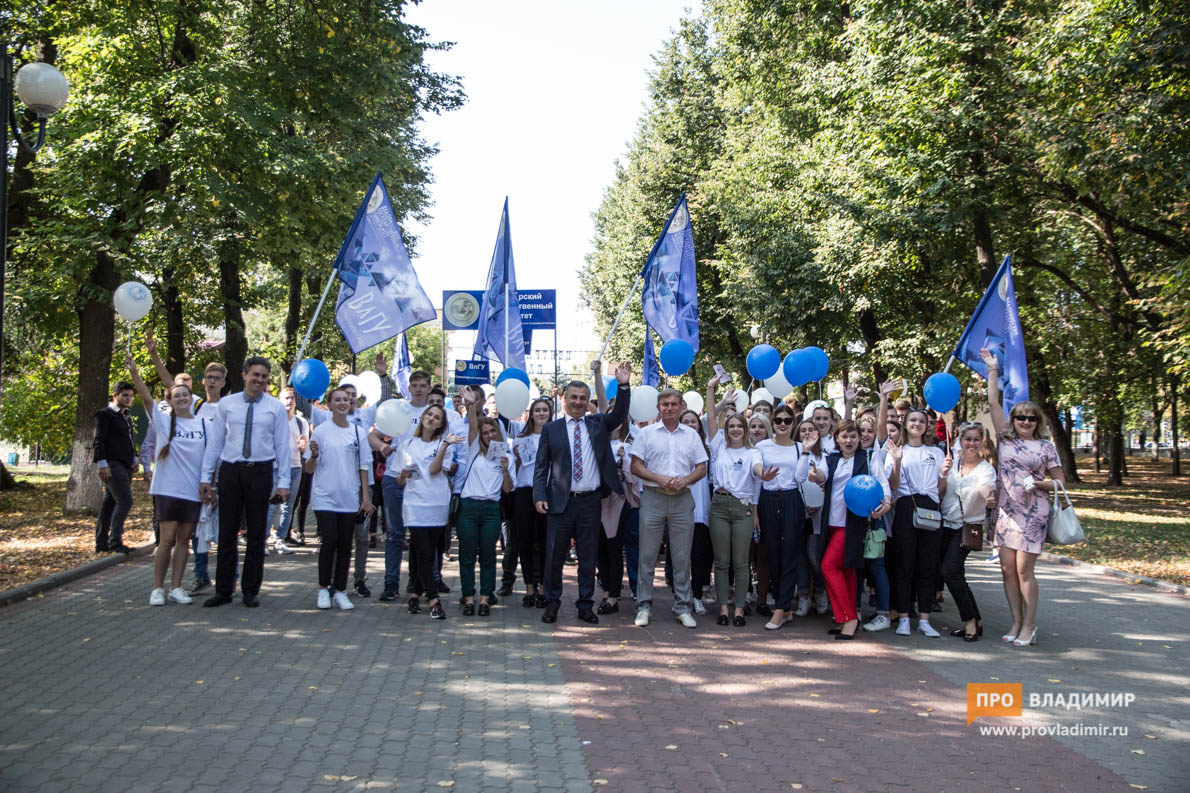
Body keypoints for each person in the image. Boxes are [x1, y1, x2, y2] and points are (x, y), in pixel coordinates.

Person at [533, 362, 633, 625]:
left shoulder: (598, 423)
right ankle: (552, 602)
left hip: (590, 501)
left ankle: (585, 604)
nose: (578, 402)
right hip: (560, 502)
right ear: (564, 399)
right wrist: (539, 495)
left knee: (588, 557)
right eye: (574, 397)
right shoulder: (551, 429)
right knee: (555, 556)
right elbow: (541, 466)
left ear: (589, 401)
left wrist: (623, 385)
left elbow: (620, 414)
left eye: (583, 398)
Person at [981, 348, 1064, 648]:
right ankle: (1016, 621)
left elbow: (1060, 482)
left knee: (1023, 570)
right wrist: (992, 369)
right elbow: (992, 402)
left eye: (1030, 418)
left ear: (1036, 421)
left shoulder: (1045, 447)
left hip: (1033, 513)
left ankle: (1030, 625)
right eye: (1020, 418)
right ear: (1013, 420)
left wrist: (1039, 484)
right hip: (1005, 513)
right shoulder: (1005, 440)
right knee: (1006, 570)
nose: (1025, 422)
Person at [200, 357, 291, 608]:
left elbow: (283, 446)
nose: (259, 380)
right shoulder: (227, 404)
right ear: (244, 375)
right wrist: (206, 477)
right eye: (255, 375)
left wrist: (283, 483)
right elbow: (215, 443)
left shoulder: (275, 408)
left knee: (256, 533)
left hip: (260, 471)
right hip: (231, 470)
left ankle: (251, 590)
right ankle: (224, 590)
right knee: (227, 532)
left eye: (264, 376)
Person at [127, 357, 206, 605]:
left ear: (191, 398)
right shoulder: (163, 421)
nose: (182, 398)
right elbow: (145, 395)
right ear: (170, 401)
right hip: (168, 489)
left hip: (193, 490)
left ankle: (176, 587)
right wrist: (135, 372)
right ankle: (157, 588)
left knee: (184, 540)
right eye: (176, 396)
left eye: (185, 395)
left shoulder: (204, 423)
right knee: (167, 539)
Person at [629, 388, 709, 628]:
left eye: (674, 404)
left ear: (681, 406)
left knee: (682, 555)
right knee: (647, 554)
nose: (670, 408)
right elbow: (635, 466)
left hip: (682, 497)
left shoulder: (692, 435)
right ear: (658, 407)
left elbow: (702, 467)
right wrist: (659, 478)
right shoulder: (646, 434)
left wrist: (685, 480)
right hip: (654, 496)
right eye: (665, 404)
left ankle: (683, 606)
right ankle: (643, 606)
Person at [819, 420, 892, 639]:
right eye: (844, 436)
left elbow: (883, 484)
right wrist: (815, 476)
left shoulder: (869, 457)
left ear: (859, 439)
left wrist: (886, 503)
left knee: (828, 567)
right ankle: (846, 618)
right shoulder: (830, 459)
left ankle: (849, 618)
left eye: (853, 436)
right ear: (837, 438)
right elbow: (821, 476)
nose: (849, 441)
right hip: (830, 522)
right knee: (847, 571)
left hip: (853, 524)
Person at [705, 400, 775, 628]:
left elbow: (757, 469)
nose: (735, 429)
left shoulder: (753, 452)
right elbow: (712, 417)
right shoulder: (718, 447)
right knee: (722, 562)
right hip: (719, 506)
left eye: (739, 426)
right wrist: (711, 391)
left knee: (742, 563)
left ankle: (740, 610)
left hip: (742, 507)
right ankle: (724, 608)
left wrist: (763, 474)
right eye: (731, 425)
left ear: (745, 430)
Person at [304, 387, 374, 610]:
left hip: (349, 497)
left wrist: (365, 498)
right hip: (325, 496)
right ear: (330, 404)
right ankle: (324, 588)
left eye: (346, 399)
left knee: (346, 545)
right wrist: (314, 455)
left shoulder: (358, 432)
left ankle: (341, 590)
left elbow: (364, 466)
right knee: (330, 541)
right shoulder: (321, 431)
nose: (343, 403)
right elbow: (308, 468)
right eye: (338, 400)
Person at [371, 369, 432, 601]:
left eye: (422, 385)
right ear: (409, 388)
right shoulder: (399, 409)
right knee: (396, 535)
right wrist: (382, 447)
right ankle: (390, 583)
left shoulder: (434, 413)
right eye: (414, 385)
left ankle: (423, 583)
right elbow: (373, 436)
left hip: (421, 482)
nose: (418, 389)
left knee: (422, 535)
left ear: (428, 388)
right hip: (394, 479)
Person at [887, 407, 948, 636]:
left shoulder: (936, 452)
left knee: (928, 565)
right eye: (912, 420)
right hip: (905, 508)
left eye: (921, 421)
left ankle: (924, 619)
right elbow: (893, 486)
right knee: (904, 564)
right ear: (905, 423)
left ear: (927, 425)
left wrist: (944, 475)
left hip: (931, 509)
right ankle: (903, 616)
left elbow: (940, 490)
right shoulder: (896, 450)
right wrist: (896, 462)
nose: (917, 424)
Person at [397, 404, 462, 619]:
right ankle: (433, 599)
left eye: (437, 417)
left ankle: (415, 593)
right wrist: (403, 475)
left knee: (426, 552)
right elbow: (398, 479)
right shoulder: (407, 443)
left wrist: (443, 445)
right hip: (415, 506)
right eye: (429, 414)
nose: (432, 419)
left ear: (441, 424)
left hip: (437, 504)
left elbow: (434, 470)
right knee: (424, 552)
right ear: (423, 417)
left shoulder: (445, 444)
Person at [456, 397, 515, 617]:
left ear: (498, 433)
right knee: (467, 555)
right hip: (468, 507)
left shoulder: (505, 455)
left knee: (488, 556)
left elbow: (508, 489)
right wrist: (472, 405)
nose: (489, 436)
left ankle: (484, 598)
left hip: (491, 509)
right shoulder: (474, 450)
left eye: (492, 432)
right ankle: (468, 598)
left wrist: (506, 469)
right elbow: (472, 423)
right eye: (485, 433)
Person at [940, 420, 997, 642]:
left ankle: (970, 622)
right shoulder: (952, 463)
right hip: (945, 523)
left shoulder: (985, 469)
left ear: (982, 441)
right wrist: (943, 474)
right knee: (956, 574)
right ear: (960, 440)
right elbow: (940, 491)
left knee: (950, 572)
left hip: (967, 527)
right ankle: (975, 620)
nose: (971, 444)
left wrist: (988, 495)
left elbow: (985, 487)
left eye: (976, 439)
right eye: (967, 439)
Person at [512, 398, 554, 607]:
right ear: (531, 414)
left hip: (547, 493)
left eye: (545, 410)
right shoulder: (521, 438)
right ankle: (529, 586)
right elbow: (516, 468)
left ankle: (544, 587)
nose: (541, 413)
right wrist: (517, 456)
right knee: (525, 542)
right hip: (524, 492)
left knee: (545, 542)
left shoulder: (556, 436)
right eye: (537, 410)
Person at [93, 381, 139, 554]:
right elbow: (99, 440)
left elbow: (128, 439)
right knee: (125, 500)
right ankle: (115, 542)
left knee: (109, 503)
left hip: (126, 465)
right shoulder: (105, 414)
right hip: (112, 464)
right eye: (125, 395)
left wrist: (134, 458)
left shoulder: (125, 415)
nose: (129, 398)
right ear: (115, 396)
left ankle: (101, 543)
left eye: (131, 395)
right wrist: (102, 464)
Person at [678, 409, 714, 615]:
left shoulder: (707, 447)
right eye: (686, 421)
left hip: (701, 509)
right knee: (681, 556)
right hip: (679, 507)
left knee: (700, 555)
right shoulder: (673, 445)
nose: (691, 424)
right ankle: (681, 596)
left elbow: (712, 418)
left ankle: (697, 595)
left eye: (694, 421)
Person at [265, 387, 308, 555]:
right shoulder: (273, 420)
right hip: (276, 467)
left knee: (288, 507)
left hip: (295, 467)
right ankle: (263, 541)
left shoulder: (301, 422)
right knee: (271, 506)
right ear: (279, 400)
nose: (289, 401)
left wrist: (302, 447)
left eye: (292, 398)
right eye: (286, 398)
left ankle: (280, 540)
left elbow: (304, 447)